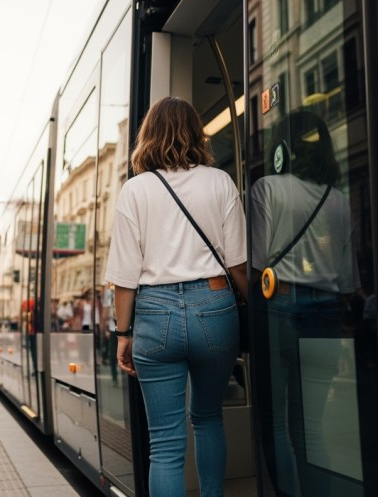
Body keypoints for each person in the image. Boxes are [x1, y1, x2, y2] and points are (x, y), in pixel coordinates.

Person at [104, 96, 248, 497]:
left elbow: (124, 277)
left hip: (154, 313)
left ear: (148, 136)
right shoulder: (219, 181)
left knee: (165, 443)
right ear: (195, 133)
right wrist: (258, 305)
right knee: (207, 417)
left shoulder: (135, 191)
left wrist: (122, 334)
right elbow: (238, 263)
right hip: (215, 308)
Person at [250, 110, 359, 496]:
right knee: (311, 428)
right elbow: (347, 282)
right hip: (326, 312)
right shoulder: (340, 201)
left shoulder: (267, 189)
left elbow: (257, 263)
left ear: (284, 145)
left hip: (278, 307)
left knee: (275, 424)